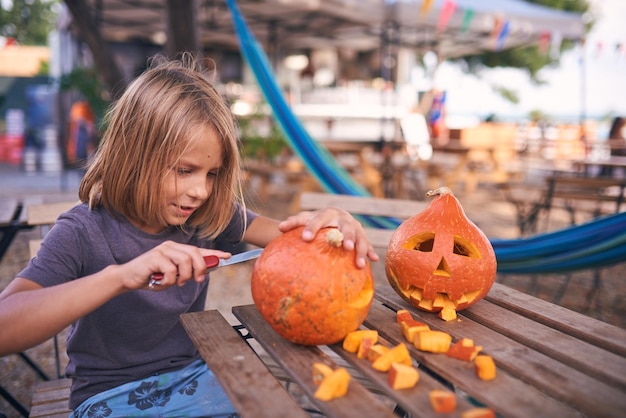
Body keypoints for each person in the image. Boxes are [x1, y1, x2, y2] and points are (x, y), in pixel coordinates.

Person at [0, 54, 378, 417]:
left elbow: (289, 239)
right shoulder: (83, 231)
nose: (201, 190)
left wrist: (330, 225)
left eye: (211, 174)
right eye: (185, 171)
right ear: (133, 155)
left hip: (198, 379)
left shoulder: (207, 216)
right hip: (109, 396)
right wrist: (119, 277)